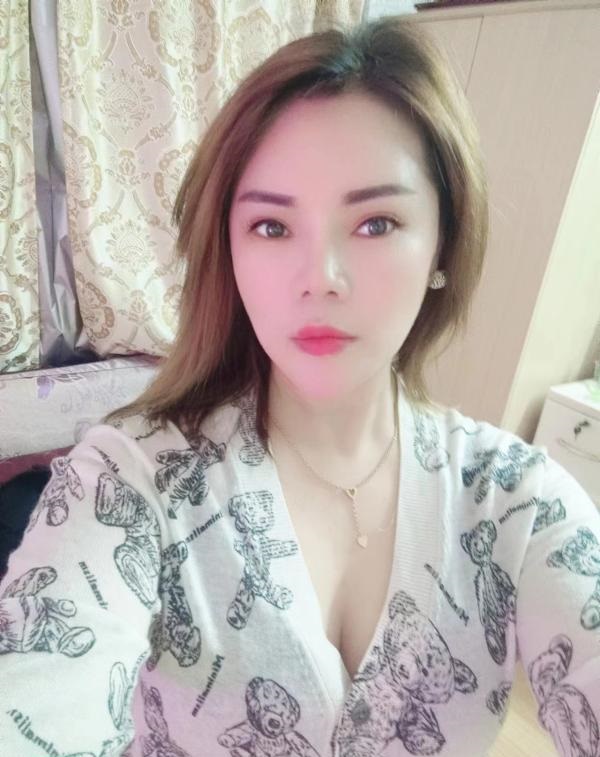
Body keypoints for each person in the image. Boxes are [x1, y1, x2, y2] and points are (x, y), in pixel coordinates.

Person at [1, 15, 598, 757]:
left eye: (375, 223)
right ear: (228, 248)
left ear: (443, 244)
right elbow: (41, 691)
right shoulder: (131, 480)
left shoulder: (518, 503)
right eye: (272, 227)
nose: (321, 279)